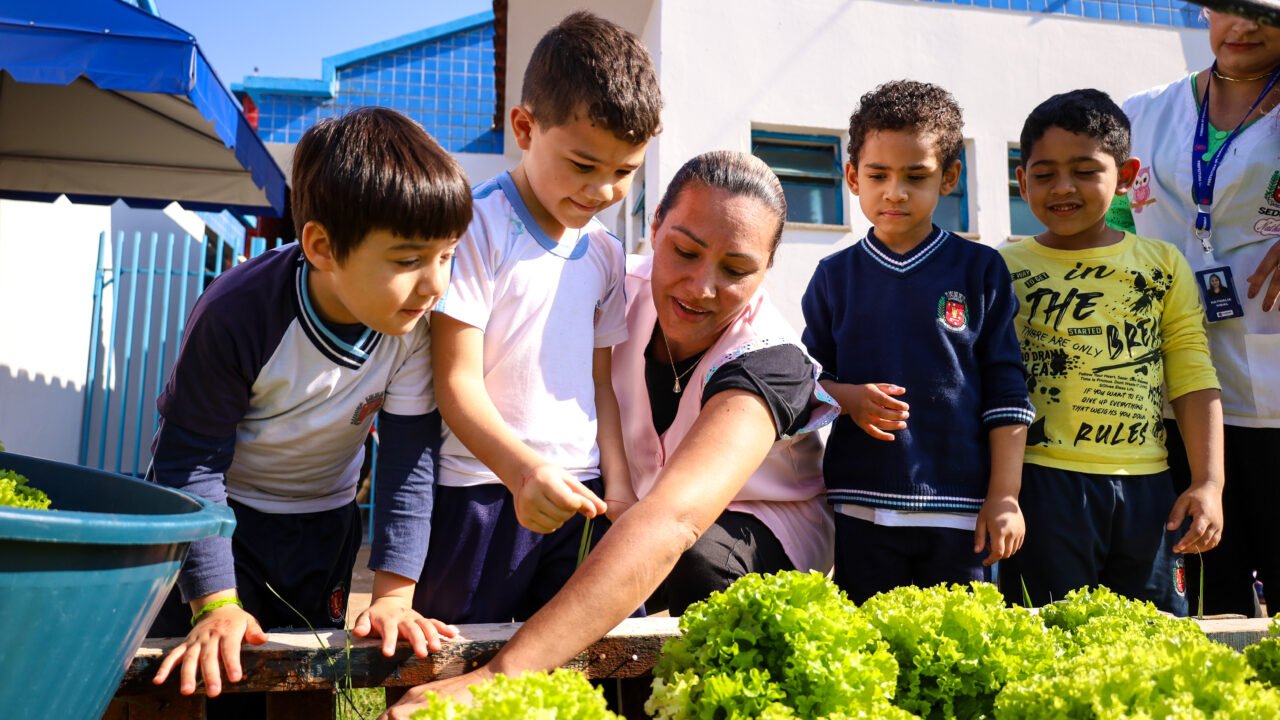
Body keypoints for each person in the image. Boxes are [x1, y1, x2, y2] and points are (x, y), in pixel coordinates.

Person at [383, 151, 837, 719]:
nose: (701, 287)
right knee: (602, 549)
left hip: (751, 528)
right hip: (635, 510)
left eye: (736, 270)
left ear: (767, 270)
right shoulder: (609, 280)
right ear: (654, 229)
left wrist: (502, 674)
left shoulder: (772, 361)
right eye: (685, 251)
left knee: (689, 560)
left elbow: (675, 521)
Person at [146, 108, 470, 705]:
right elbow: (189, 463)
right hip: (220, 525)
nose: (434, 285)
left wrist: (395, 597)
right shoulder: (237, 314)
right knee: (207, 683)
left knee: (305, 692)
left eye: (446, 256)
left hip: (325, 526)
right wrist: (216, 602)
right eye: (408, 260)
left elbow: (407, 462)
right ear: (321, 245)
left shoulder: (416, 325)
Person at [417, 11, 660, 625]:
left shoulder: (605, 252)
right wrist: (524, 473)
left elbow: (602, 385)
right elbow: (455, 382)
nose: (604, 190)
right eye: (584, 165)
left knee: (569, 670)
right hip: (478, 490)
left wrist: (621, 492)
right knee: (459, 673)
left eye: (625, 172)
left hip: (581, 494)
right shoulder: (475, 226)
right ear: (525, 127)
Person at [800, 80, 1034, 605]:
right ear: (852, 178)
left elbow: (1006, 389)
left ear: (948, 178)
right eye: (878, 175)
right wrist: (849, 399)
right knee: (872, 658)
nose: (895, 192)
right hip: (862, 508)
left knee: (960, 662)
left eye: (916, 176)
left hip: (960, 510)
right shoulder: (834, 277)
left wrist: (1004, 496)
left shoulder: (980, 270)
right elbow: (808, 386)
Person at [998, 89, 1224, 615]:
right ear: (1021, 179)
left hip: (1150, 490)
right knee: (1051, 647)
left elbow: (1193, 376)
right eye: (1045, 173)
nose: (1063, 188)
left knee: (1160, 648)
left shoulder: (1161, 264)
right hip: (1041, 484)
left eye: (1084, 170)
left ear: (1126, 176)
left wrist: (1208, 482)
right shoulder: (998, 269)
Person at [1114, 8, 1280, 617]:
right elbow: (1111, 223)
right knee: (1209, 611)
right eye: (1229, 8)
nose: (1244, 25)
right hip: (1172, 402)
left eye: (1266, 11)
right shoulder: (1142, 112)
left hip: (1275, 396)